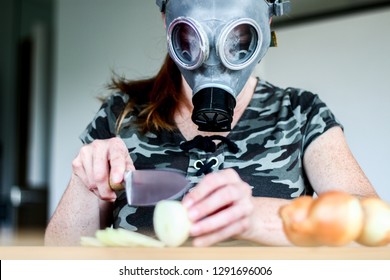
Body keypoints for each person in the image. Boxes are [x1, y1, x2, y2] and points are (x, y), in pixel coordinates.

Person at [44, 0, 378, 247]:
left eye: (238, 37)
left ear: (268, 23)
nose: (216, 55)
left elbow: (374, 225)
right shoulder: (123, 115)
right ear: (167, 21)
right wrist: (85, 183)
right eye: (194, 33)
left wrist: (254, 216)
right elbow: (59, 259)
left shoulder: (301, 115)